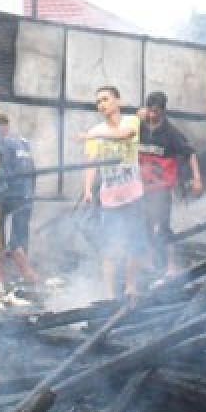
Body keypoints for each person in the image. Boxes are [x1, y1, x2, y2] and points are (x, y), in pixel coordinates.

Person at [82, 86, 147, 301]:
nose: (102, 104)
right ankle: (109, 294)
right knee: (109, 246)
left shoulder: (131, 122)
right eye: (98, 101)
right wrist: (87, 190)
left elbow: (122, 136)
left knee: (135, 243)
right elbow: (91, 163)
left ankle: (130, 285)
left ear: (118, 101)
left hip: (133, 195)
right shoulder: (95, 133)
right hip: (109, 199)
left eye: (106, 99)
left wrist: (92, 134)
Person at [137, 92, 203, 275]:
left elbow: (190, 154)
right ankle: (149, 263)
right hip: (141, 188)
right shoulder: (138, 128)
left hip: (162, 189)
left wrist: (197, 179)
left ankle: (171, 267)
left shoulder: (171, 133)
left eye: (156, 112)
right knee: (145, 225)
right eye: (149, 111)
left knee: (163, 226)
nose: (152, 115)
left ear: (163, 111)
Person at [0, 113, 41, 285]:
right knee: (21, 235)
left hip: (7, 197)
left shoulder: (3, 144)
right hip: (26, 195)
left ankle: (5, 275)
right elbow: (33, 170)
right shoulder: (23, 142)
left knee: (1, 237)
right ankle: (22, 274)